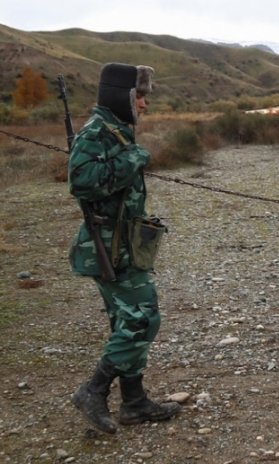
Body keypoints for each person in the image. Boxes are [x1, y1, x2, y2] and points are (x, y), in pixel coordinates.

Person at [68, 63, 180, 433]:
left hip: (124, 244)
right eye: (141, 96)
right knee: (141, 319)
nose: (145, 105)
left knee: (125, 322)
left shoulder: (116, 130)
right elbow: (83, 182)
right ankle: (93, 390)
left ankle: (133, 402)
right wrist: (136, 156)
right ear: (123, 96)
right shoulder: (97, 132)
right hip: (108, 247)